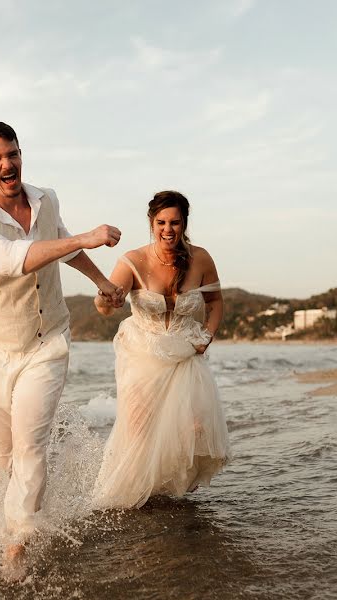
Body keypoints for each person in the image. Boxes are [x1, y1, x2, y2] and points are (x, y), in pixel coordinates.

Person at [0, 122, 125, 566]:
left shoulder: (45, 199)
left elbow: (62, 248)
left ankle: (17, 548)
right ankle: (10, 522)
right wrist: (87, 236)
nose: (7, 164)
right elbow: (14, 261)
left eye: (12, 154)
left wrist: (103, 281)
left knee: (30, 445)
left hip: (46, 344)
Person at [92, 190, 230, 509]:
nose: (168, 229)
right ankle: (139, 498)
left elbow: (217, 303)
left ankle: (172, 489)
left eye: (175, 222)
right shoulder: (133, 260)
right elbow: (105, 306)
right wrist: (104, 298)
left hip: (186, 353)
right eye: (161, 222)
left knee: (194, 428)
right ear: (152, 223)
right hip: (143, 354)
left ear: (184, 224)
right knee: (139, 430)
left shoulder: (202, 259)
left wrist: (207, 336)